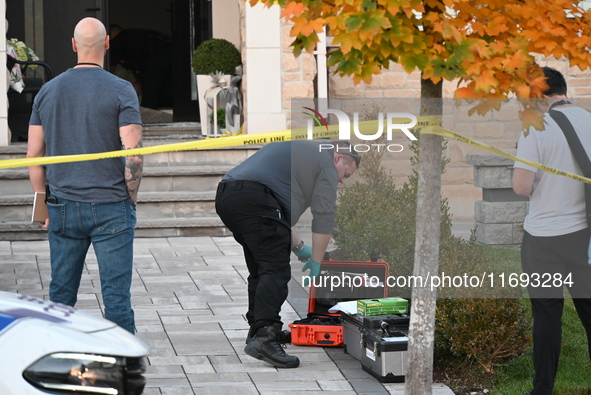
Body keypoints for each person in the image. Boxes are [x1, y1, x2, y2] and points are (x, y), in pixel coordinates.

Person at [26, 17, 143, 334]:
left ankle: (54, 364)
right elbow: (133, 153)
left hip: (62, 204)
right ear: (107, 44)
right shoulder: (121, 90)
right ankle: (123, 375)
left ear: (74, 45)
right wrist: (129, 198)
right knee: (117, 300)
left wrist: (43, 205)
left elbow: (33, 156)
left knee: (60, 297)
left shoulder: (48, 91)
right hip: (111, 205)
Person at [215, 140, 360, 368]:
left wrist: (300, 248)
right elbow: (323, 216)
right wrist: (317, 260)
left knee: (261, 269)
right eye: (346, 174)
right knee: (276, 270)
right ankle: (265, 335)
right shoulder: (326, 162)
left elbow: (279, 215)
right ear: (339, 158)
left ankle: (257, 332)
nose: (341, 180)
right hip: (257, 201)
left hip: (229, 196)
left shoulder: (303, 153)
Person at [512, 66, 591, 395]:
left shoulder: (535, 128)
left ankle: (543, 389)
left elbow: (521, 186)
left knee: (547, 316)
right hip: (585, 237)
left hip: (544, 239)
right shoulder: (589, 119)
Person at [108, 25, 173, 109]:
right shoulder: (135, 41)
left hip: (158, 56)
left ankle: (148, 114)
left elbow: (109, 69)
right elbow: (139, 80)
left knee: (150, 90)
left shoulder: (119, 39)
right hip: (167, 55)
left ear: (114, 32)